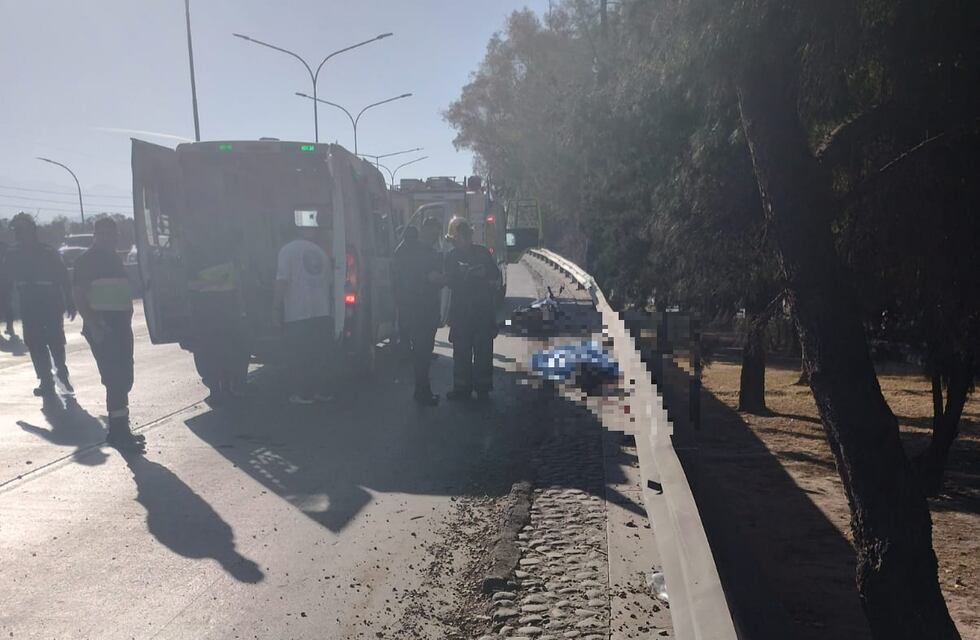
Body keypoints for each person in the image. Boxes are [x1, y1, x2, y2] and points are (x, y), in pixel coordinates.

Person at [71, 217, 145, 452]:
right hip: (103, 328)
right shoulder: (87, 261)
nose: (108, 239)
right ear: (95, 235)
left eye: (111, 235)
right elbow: (79, 295)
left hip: (121, 327)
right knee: (115, 379)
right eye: (102, 234)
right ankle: (118, 433)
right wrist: (94, 325)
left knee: (124, 377)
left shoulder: (114, 259)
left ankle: (121, 429)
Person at [1, 213, 75, 396]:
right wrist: (4, 302)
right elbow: (6, 280)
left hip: (50, 302)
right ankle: (45, 380)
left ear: (32, 231)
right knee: (35, 343)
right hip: (29, 304)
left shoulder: (48, 252)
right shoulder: (12, 254)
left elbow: (63, 277)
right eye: (17, 231)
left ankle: (61, 372)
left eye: (22, 231)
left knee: (55, 341)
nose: (19, 235)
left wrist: (70, 301)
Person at [274, 218, 334, 405]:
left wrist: (276, 308)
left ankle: (302, 394)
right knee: (318, 355)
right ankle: (321, 391)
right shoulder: (320, 253)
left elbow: (282, 280)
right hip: (322, 311)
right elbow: (329, 283)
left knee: (299, 355)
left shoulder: (286, 251)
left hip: (298, 313)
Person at [186, 231, 250, 406]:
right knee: (222, 351)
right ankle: (223, 387)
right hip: (217, 314)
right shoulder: (204, 261)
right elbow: (190, 285)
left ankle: (224, 387)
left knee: (220, 352)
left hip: (217, 314)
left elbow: (238, 287)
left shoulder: (205, 261)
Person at [444, 216, 502, 401]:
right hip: (461, 312)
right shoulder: (451, 257)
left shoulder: (482, 253)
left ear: (469, 236)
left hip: (482, 311)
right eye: (459, 238)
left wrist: (484, 273)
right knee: (461, 352)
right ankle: (462, 388)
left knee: (483, 350)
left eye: (465, 236)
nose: (462, 240)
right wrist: (459, 275)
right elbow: (449, 280)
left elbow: (495, 274)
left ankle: (483, 388)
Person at [398, 217, 446, 406]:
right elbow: (435, 279)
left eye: (437, 234)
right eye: (433, 233)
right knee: (423, 352)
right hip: (423, 309)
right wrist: (447, 278)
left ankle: (422, 390)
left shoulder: (405, 250)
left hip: (411, 308)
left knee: (421, 352)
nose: (435, 237)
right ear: (425, 231)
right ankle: (422, 392)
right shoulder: (427, 254)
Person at [392, 225, 419, 360]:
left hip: (405, 295)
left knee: (406, 325)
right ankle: (408, 350)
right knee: (409, 325)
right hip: (410, 295)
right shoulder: (409, 250)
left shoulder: (400, 250)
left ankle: (406, 350)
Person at [0, 239, 15, 336]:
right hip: (6, 281)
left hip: (5, 280)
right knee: (7, 305)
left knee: (5, 305)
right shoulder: (6, 247)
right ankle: (10, 327)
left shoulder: (6, 247)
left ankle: (10, 326)